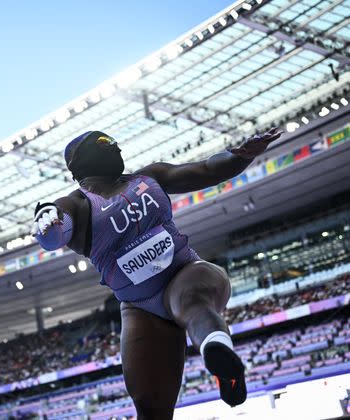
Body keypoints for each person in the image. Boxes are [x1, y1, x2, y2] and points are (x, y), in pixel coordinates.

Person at [31, 128, 282, 419]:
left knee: (193, 302)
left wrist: (239, 155)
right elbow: (54, 232)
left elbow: (204, 170)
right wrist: (46, 218)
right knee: (151, 409)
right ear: (85, 161)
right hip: (140, 308)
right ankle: (223, 367)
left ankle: (222, 359)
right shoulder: (77, 204)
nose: (118, 152)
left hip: (186, 272)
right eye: (108, 147)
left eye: (116, 146)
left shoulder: (149, 177)